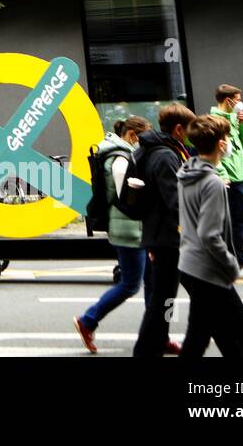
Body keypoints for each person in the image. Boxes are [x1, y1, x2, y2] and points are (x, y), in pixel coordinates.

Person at [177, 115, 243, 358]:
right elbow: (209, 235)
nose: (229, 142)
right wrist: (231, 265)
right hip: (209, 269)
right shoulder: (212, 182)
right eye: (227, 138)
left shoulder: (187, 171)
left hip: (190, 264)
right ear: (220, 144)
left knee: (201, 335)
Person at [74, 116, 150, 353]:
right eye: (142, 138)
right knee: (130, 285)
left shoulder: (120, 153)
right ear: (132, 135)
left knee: (154, 284)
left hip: (133, 228)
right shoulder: (120, 158)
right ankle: (88, 321)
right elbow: (124, 198)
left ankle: (159, 331)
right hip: (127, 229)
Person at [133, 103, 194, 357]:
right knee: (164, 300)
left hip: (162, 236)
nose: (192, 134)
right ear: (179, 129)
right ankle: (149, 348)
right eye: (190, 129)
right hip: (170, 238)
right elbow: (175, 201)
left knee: (164, 298)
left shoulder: (153, 150)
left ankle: (154, 344)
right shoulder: (166, 156)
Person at [208, 84, 243, 279]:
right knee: (238, 220)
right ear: (227, 100)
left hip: (241, 174)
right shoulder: (215, 120)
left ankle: (224, 252)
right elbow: (217, 154)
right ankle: (238, 263)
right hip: (231, 177)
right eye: (237, 99)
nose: (240, 103)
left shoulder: (235, 117)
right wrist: (223, 174)